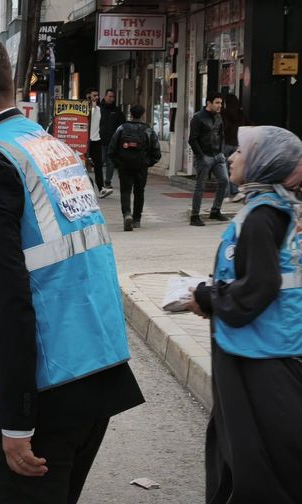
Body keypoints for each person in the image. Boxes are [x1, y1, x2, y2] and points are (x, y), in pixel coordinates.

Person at [0, 31, 144, 503]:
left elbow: (4, 302)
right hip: (85, 378)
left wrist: (15, 418)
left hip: (27, 399)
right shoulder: (45, 146)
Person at [187, 125, 302, 504]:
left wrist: (208, 298)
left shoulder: (262, 215)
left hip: (257, 352)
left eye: (240, 152)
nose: (232, 157)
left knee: (255, 454)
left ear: (262, 163)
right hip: (266, 346)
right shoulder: (275, 208)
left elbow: (260, 286)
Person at [108, 104, 161, 231]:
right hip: (141, 167)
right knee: (139, 192)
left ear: (130, 114)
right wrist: (147, 163)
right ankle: (137, 219)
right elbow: (157, 152)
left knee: (125, 191)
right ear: (143, 115)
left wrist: (118, 163)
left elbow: (111, 149)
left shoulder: (121, 128)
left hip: (124, 166)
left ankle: (127, 214)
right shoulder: (149, 131)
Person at [189, 91, 229, 226]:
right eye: (217, 103)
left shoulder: (218, 117)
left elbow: (222, 134)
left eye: (221, 103)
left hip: (218, 155)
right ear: (209, 103)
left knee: (224, 181)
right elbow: (192, 139)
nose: (220, 106)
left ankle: (215, 210)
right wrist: (201, 156)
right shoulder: (198, 118)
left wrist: (222, 152)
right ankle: (194, 215)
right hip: (203, 156)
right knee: (200, 186)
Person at [221, 93, 248, 202]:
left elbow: (224, 128)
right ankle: (236, 191)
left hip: (226, 144)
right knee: (234, 169)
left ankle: (226, 195)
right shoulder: (241, 113)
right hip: (237, 144)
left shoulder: (224, 113)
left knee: (224, 170)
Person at [98, 88, 125, 197]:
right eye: (109, 96)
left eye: (113, 97)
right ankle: (99, 181)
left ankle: (107, 181)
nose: (111, 99)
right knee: (100, 161)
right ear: (105, 96)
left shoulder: (117, 111)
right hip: (99, 140)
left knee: (110, 162)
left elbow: (122, 125)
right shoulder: (99, 109)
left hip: (113, 141)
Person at [86, 88, 104, 190]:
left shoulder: (99, 109)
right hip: (86, 141)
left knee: (98, 165)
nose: (96, 98)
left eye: (97, 95)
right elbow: (88, 120)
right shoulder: (86, 109)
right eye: (94, 96)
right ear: (88, 97)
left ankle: (101, 187)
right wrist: (92, 108)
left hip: (96, 139)